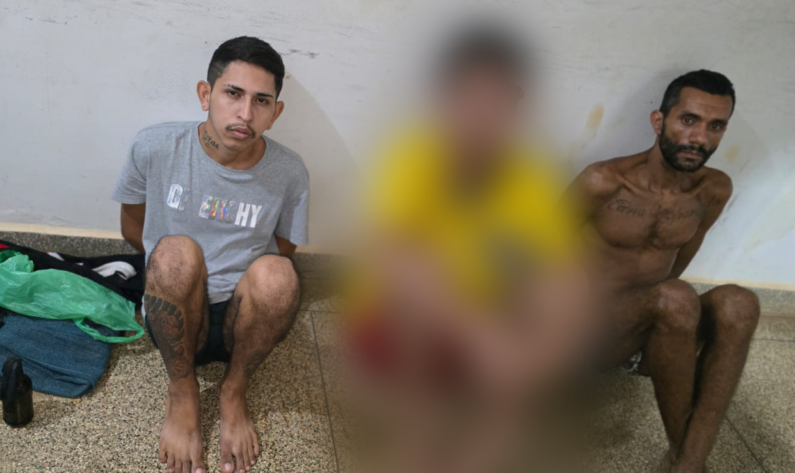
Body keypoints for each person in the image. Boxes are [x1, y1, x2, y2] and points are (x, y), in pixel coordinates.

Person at [342, 27, 591, 472]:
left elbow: (560, 272)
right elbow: (394, 260)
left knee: (556, 308)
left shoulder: (528, 175)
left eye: (499, 99)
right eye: (474, 98)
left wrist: (536, 354)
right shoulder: (412, 157)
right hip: (395, 328)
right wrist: (479, 330)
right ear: (448, 99)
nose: (485, 115)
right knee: (415, 292)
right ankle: (414, 445)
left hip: (484, 319)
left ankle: (477, 457)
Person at [111, 36, 309, 473]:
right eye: (233, 93)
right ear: (206, 94)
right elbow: (133, 227)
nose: (245, 114)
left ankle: (233, 391)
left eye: (261, 101)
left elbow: (285, 248)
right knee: (173, 253)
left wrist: (251, 288)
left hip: (245, 322)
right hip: (175, 312)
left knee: (280, 274)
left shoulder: (289, 171)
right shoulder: (156, 147)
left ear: (275, 113)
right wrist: (170, 274)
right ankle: (182, 392)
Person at [568, 69, 760, 473]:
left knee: (740, 303)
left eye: (715, 126)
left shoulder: (713, 190)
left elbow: (681, 259)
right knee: (675, 297)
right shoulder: (604, 181)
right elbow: (542, 254)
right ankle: (687, 463)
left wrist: (670, 322)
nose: (699, 138)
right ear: (659, 121)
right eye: (688, 120)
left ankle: (686, 461)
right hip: (589, 333)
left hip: (651, 326)